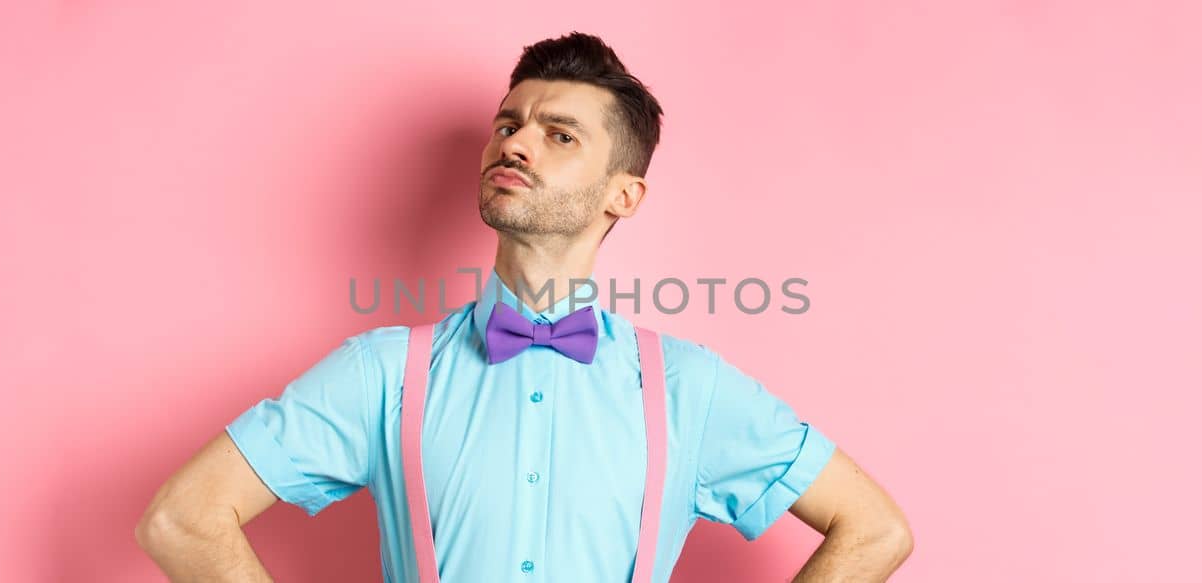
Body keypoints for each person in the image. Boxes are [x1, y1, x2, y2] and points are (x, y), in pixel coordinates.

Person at [136, 31, 913, 582]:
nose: (515, 143)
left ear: (624, 194)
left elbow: (876, 530)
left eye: (559, 134)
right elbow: (182, 519)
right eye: (508, 124)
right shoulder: (383, 374)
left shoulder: (688, 388)